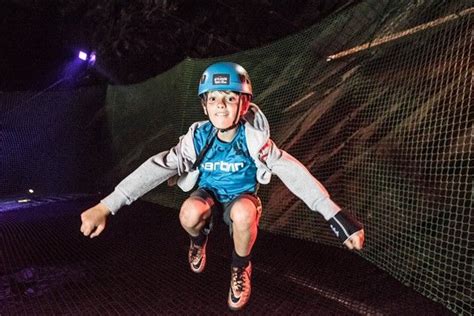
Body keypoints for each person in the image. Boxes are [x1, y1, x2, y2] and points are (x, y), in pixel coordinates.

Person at [80, 62, 365, 311]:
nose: (220, 104)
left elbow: (293, 172)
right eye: (213, 98)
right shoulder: (199, 138)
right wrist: (107, 205)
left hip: (241, 200)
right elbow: (158, 166)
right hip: (207, 197)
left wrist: (334, 214)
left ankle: (241, 267)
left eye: (230, 97)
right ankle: (198, 240)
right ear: (204, 105)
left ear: (244, 103)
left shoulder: (255, 140)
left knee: (242, 213)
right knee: (189, 212)